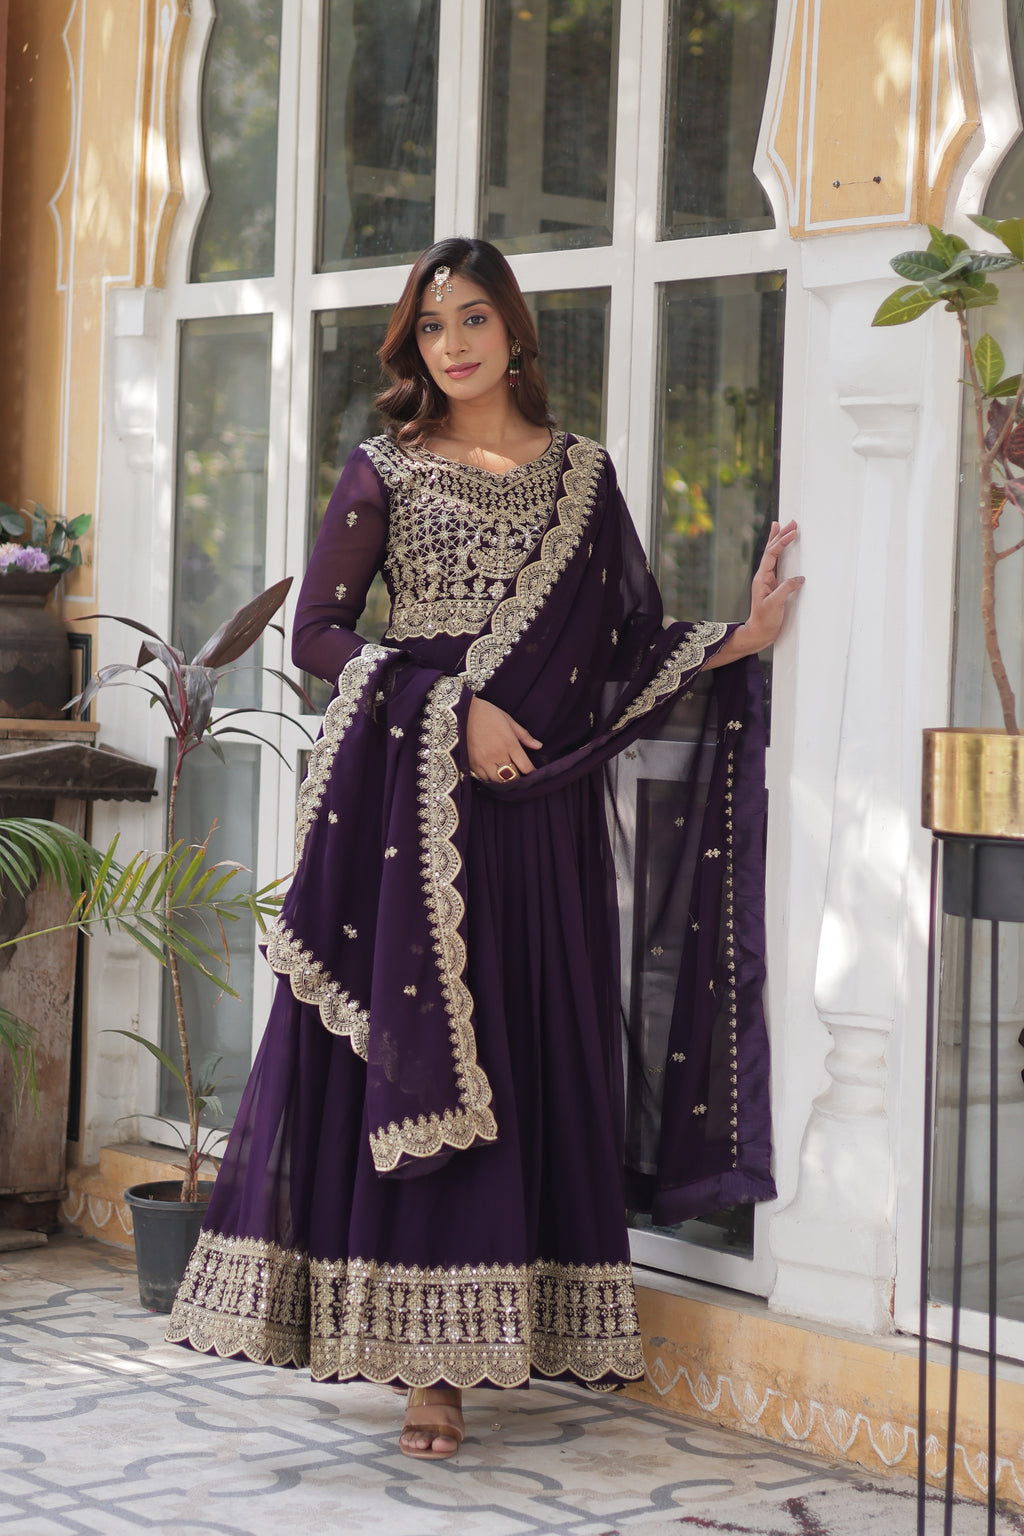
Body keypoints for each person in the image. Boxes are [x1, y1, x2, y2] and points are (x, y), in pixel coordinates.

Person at [167, 237, 802, 1460]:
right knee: (421, 1055)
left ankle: (501, 1326)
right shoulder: (386, 468)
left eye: (472, 318)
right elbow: (318, 636)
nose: (452, 343)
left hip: (536, 818)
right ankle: (425, 1371)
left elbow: (620, 645)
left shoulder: (584, 475)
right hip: (410, 812)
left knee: (513, 1055)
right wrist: (449, 710)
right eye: (431, 325)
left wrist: (739, 636)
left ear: (514, 330)